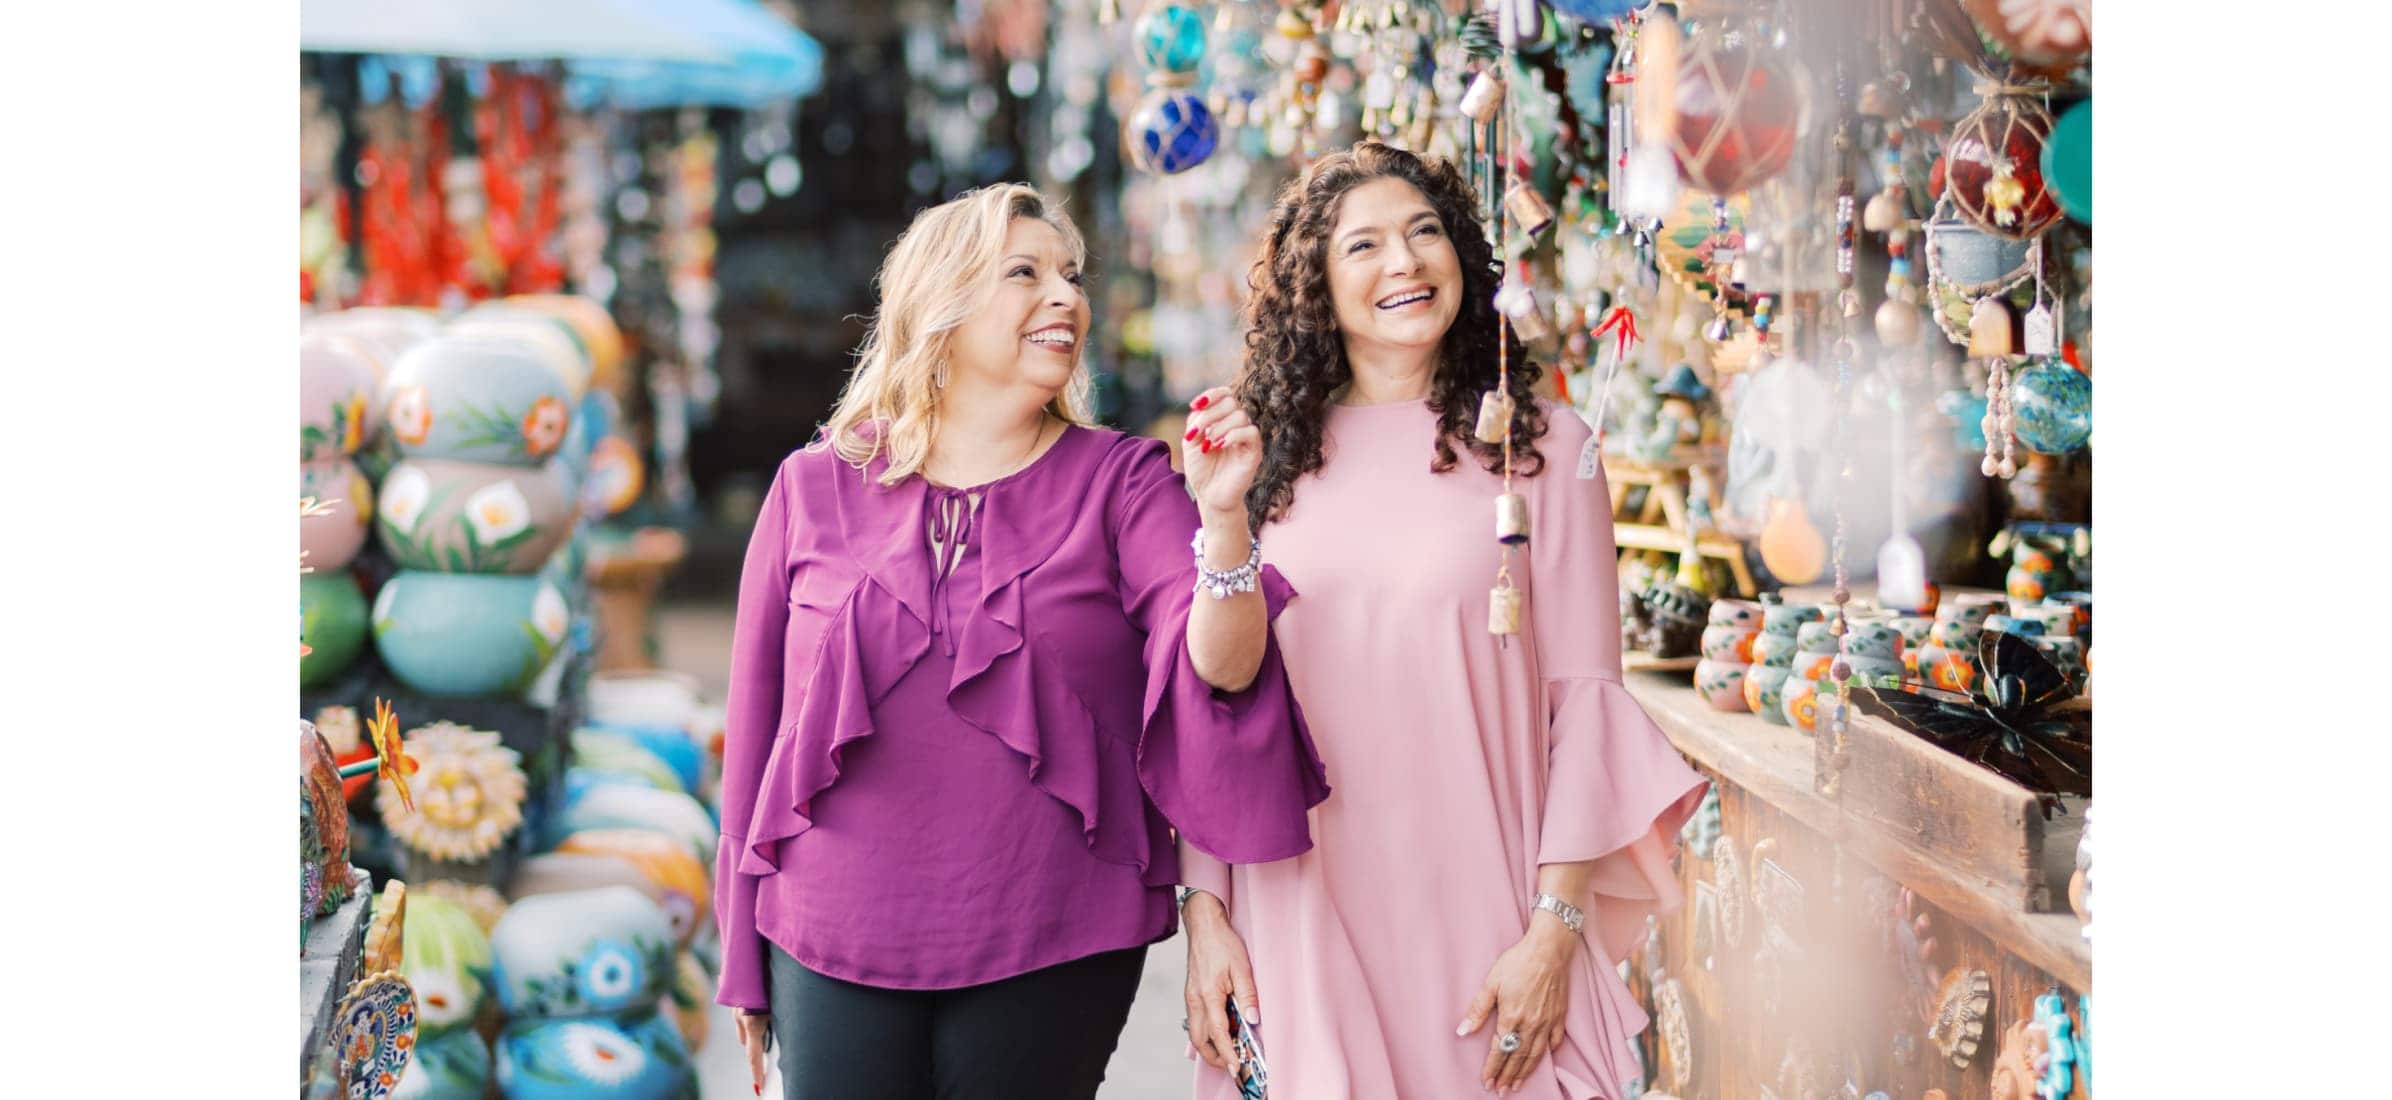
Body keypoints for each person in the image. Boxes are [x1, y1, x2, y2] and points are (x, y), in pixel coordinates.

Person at [713, 183, 1328, 1099]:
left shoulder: (1123, 483)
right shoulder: (814, 486)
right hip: (827, 926)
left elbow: (1224, 668)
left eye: (1073, 276)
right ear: (944, 307)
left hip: (1050, 928)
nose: (1066, 296)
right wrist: (739, 948)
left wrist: (1225, 521)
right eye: (1026, 273)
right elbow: (755, 726)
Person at [1179, 142, 1708, 1098]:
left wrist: (1555, 930)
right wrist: (1206, 914)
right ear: (1315, 288)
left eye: (1427, 233)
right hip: (1300, 905)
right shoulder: (1261, 464)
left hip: (1488, 918)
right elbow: (1220, 706)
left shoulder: (1548, 452)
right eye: (1365, 246)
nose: (1406, 263)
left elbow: (1585, 702)